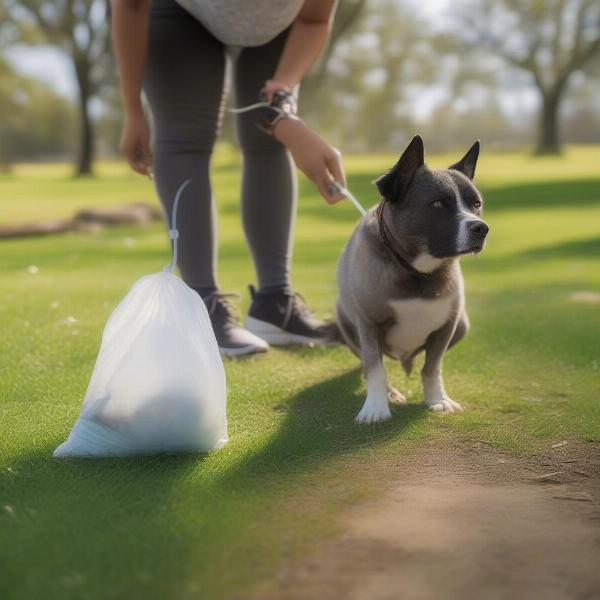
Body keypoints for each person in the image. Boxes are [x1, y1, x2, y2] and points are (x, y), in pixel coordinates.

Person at [111, 0, 347, 356]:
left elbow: (314, 18)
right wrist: (132, 109)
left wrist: (281, 106)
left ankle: (274, 306)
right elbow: (130, 7)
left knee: (268, 142)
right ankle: (202, 308)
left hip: (275, 26)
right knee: (185, 139)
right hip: (181, 10)